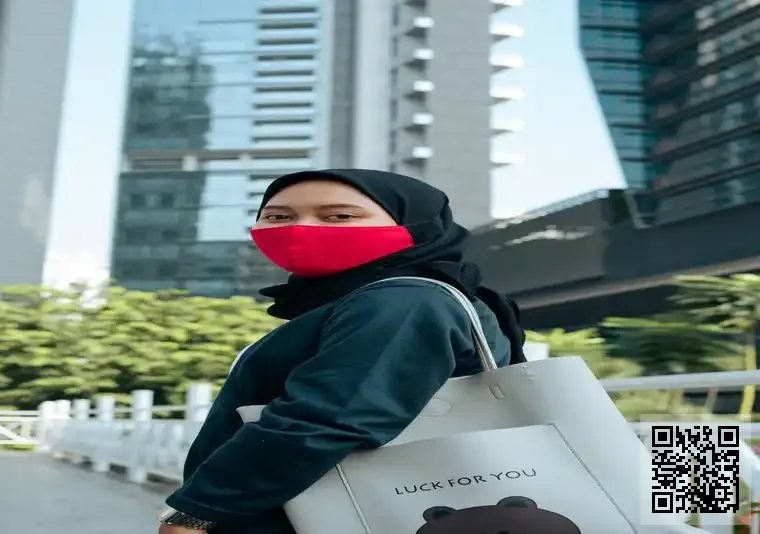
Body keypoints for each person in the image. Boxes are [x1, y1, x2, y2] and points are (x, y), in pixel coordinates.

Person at [157, 169, 526, 534]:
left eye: (339, 216)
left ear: (415, 225)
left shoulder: (405, 300)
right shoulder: (363, 301)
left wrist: (199, 511)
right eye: (278, 217)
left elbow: (330, 417)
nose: (301, 228)